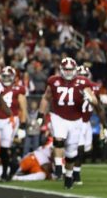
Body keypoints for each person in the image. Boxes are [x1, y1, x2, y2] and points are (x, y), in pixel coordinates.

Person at [37, 57, 103, 188]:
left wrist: (90, 98)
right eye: (66, 70)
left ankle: (68, 176)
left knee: (71, 154)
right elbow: (46, 98)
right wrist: (40, 114)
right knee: (59, 139)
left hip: (76, 120)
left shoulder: (83, 82)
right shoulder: (54, 81)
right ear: (61, 70)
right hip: (58, 116)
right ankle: (58, 166)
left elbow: (95, 101)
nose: (68, 72)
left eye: (70, 70)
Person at [74, 65, 107, 184]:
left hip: (86, 122)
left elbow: (99, 107)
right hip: (75, 122)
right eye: (81, 75)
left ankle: (72, 169)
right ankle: (75, 173)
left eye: (85, 76)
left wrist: (104, 127)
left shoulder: (93, 88)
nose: (83, 78)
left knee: (86, 149)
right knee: (78, 148)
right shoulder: (71, 87)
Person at [0, 66, 28, 181]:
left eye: (9, 76)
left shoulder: (18, 88)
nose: (7, 78)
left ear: (14, 77)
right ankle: (8, 167)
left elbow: (23, 108)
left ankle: (5, 172)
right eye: (4, 76)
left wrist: (23, 125)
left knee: (5, 146)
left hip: (11, 120)